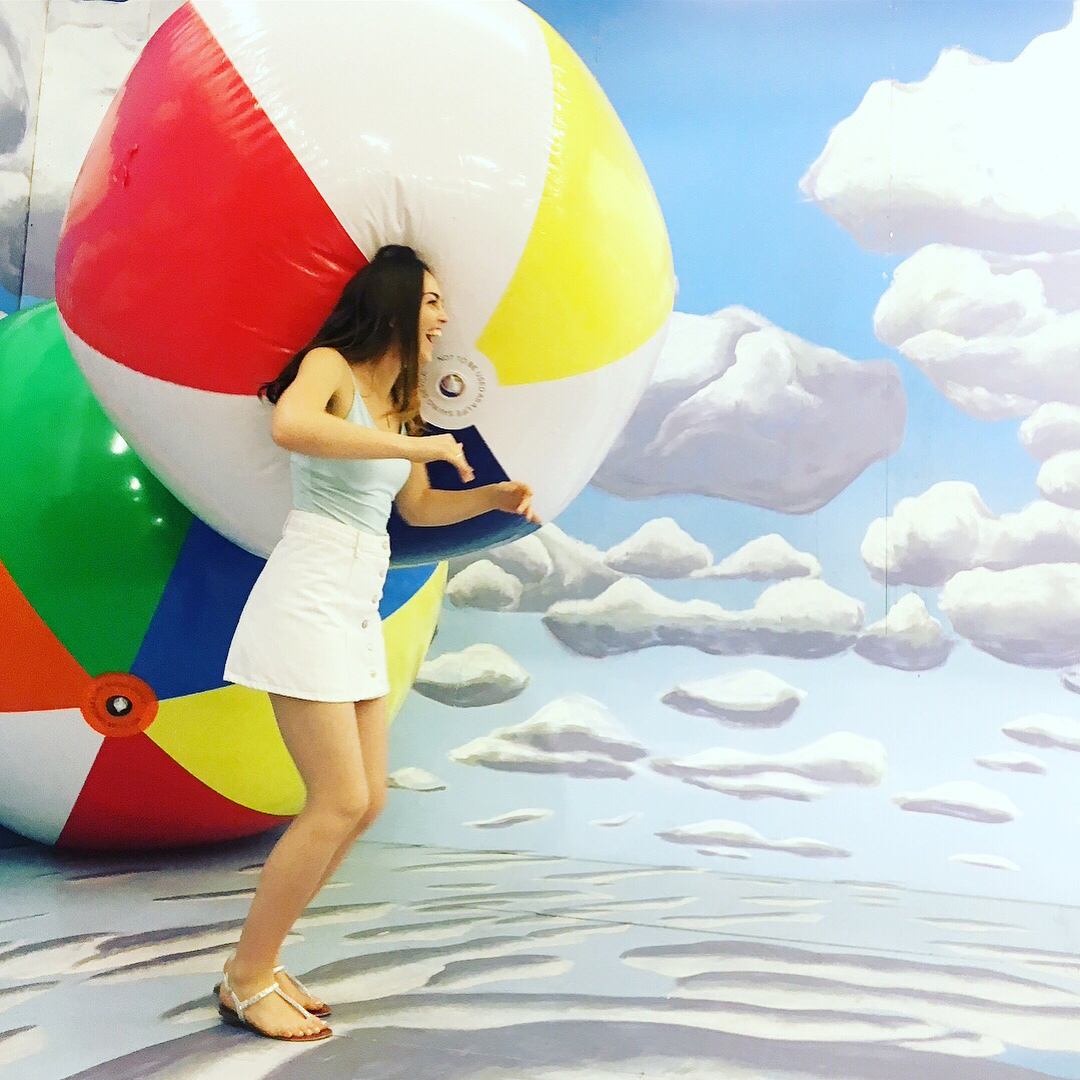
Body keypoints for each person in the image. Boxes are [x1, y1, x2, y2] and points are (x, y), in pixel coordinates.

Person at [216, 245, 538, 1041]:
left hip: (357, 597)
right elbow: (293, 426)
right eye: (431, 301)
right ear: (392, 301)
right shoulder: (329, 365)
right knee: (337, 801)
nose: (444, 318)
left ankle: (263, 960)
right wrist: (414, 447)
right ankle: (245, 977)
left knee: (367, 804)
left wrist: (491, 497)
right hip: (310, 585)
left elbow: (419, 511)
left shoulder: (401, 403)